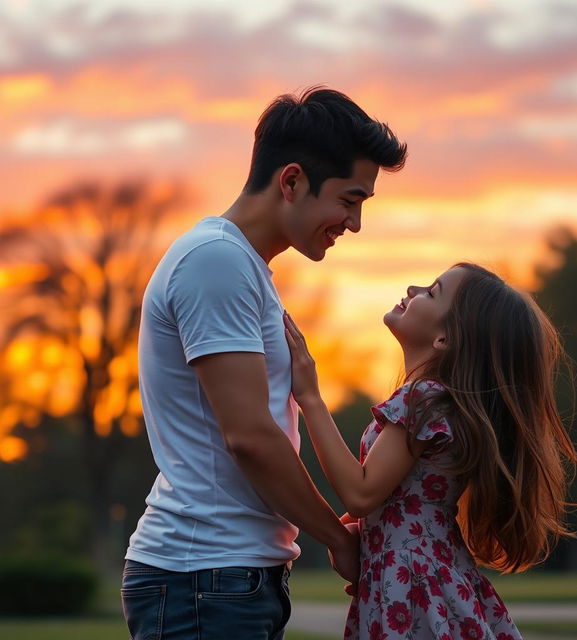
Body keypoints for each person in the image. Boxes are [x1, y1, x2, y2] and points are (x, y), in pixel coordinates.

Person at [121, 86, 407, 640]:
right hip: (203, 577)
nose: (354, 223)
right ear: (292, 181)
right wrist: (338, 538)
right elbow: (250, 435)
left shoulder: (238, 264)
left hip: (224, 576)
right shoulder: (217, 262)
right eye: (349, 201)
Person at [284, 262, 577, 640]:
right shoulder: (440, 403)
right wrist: (353, 532)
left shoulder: (423, 400)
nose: (414, 288)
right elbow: (398, 498)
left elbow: (362, 492)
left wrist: (311, 398)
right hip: (431, 573)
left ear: (444, 340)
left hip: (415, 582)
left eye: (431, 292)